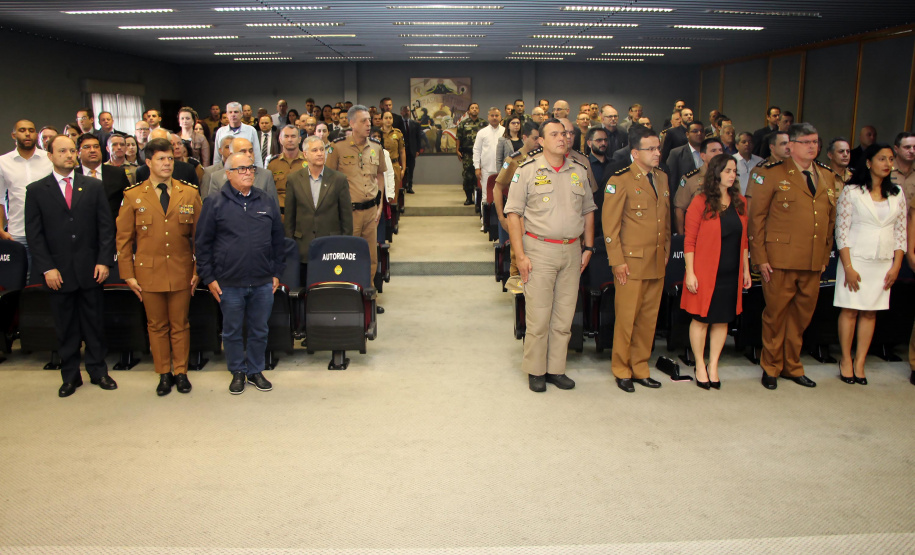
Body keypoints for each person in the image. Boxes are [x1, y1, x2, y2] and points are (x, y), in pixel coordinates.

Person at [504, 118, 596, 392]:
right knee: (539, 316)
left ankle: (556, 368)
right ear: (541, 141)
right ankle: (536, 370)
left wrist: (588, 247)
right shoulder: (527, 170)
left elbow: (589, 210)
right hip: (539, 249)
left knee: (564, 316)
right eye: (554, 134)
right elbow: (513, 214)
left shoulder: (579, 170)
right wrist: (520, 256)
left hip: (571, 251)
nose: (562, 138)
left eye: (565, 134)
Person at [749, 123, 842, 390]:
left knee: (801, 317)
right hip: (779, 259)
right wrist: (760, 257)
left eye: (816, 142)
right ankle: (771, 367)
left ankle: (792, 365)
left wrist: (824, 255)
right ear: (792, 145)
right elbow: (757, 219)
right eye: (807, 142)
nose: (813, 146)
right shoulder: (773, 173)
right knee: (776, 315)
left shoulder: (824, 174)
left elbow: (829, 219)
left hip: (812, 260)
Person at [24, 135, 116, 397]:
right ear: (50, 156)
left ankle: (99, 371)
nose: (68, 154)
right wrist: (47, 268)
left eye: (71, 150)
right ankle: (70, 376)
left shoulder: (92, 186)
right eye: (61, 151)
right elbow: (35, 235)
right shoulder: (37, 190)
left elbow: (106, 228)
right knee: (66, 326)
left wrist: (103, 260)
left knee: (94, 324)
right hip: (58, 272)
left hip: (91, 269)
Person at [116, 138, 202, 396]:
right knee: (156, 326)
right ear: (148, 162)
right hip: (148, 272)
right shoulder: (133, 196)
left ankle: (181, 372)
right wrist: (127, 275)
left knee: (180, 324)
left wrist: (198, 270)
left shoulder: (188, 192)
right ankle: (163, 373)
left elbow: (200, 237)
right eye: (161, 159)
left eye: (170, 158)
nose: (167, 163)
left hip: (181, 269)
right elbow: (123, 240)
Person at [195, 152, 285, 395]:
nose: (248, 173)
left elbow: (278, 240)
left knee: (259, 328)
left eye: (251, 168)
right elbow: (202, 245)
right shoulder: (214, 203)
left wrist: (276, 272)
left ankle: (255, 370)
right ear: (228, 174)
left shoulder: (266, 201)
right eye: (241, 169)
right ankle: (237, 371)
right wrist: (209, 278)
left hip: (262, 281)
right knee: (232, 330)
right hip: (229, 282)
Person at [602, 128, 670, 393]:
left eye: (658, 148)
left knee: (648, 320)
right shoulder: (620, 180)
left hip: (655, 261)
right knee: (627, 319)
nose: (657, 153)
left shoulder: (662, 178)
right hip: (630, 262)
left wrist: (665, 252)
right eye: (651, 149)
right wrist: (617, 261)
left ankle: (640, 367)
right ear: (635, 153)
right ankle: (621, 369)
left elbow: (664, 220)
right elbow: (610, 227)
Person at [834, 144, 907, 385]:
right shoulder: (852, 191)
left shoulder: (897, 193)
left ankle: (860, 361)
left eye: (890, 159)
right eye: (882, 158)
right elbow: (841, 232)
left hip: (883, 262)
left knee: (870, 312)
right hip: (855, 260)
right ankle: (845, 359)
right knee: (851, 309)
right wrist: (848, 267)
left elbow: (901, 234)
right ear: (869, 163)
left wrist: (896, 266)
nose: (887, 163)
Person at [681, 154, 751, 389]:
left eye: (735, 172)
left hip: (730, 273)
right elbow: (689, 241)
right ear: (717, 173)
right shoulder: (701, 201)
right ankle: (700, 364)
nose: (732, 175)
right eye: (728, 171)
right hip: (705, 270)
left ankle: (713, 365)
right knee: (701, 319)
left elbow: (743, 242)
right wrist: (690, 272)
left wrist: (746, 270)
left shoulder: (740, 201)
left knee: (722, 320)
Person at [325, 105, 387, 294]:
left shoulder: (376, 147)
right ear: (352, 124)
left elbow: (380, 176)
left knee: (370, 257)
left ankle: (368, 296)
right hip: (348, 213)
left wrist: (380, 204)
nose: (369, 124)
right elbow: (328, 179)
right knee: (348, 254)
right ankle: (349, 295)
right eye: (364, 121)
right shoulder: (337, 147)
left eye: (369, 120)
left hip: (370, 212)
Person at [285, 136, 353, 276]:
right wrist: (291, 246)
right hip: (303, 247)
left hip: (331, 248)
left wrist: (344, 246)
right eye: (314, 150)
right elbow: (289, 218)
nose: (320, 153)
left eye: (322, 149)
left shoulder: (339, 179)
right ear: (305, 154)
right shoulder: (294, 179)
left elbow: (346, 218)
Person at [0, 119, 54, 276]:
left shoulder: (49, 158)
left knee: (50, 279)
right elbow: (0, 199)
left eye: (31, 130)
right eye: (22, 130)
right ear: (13, 135)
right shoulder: (3, 162)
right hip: (17, 231)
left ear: (36, 134)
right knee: (21, 279)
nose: (27, 133)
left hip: (48, 231)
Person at [76, 133, 131, 224]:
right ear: (78, 152)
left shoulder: (117, 173)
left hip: (114, 229)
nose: (93, 150)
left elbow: (129, 203)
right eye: (87, 147)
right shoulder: (73, 176)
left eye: (96, 146)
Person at [673, 137, 724, 234]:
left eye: (720, 150)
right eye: (713, 151)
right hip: (700, 233)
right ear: (703, 156)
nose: (718, 154)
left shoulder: (730, 177)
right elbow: (679, 209)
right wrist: (681, 236)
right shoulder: (691, 178)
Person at [267, 125, 306, 215]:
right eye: (286, 136)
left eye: (293, 136)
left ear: (299, 139)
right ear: (280, 139)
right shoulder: (273, 164)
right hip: (280, 212)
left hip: (303, 211)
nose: (290, 140)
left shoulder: (309, 161)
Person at [213, 102, 263, 168]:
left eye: (236, 112)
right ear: (227, 114)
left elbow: (256, 155)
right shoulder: (220, 132)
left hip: (246, 170)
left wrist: (259, 173)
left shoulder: (251, 130)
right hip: (226, 170)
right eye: (230, 112)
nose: (233, 114)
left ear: (241, 114)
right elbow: (217, 157)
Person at [473, 107, 504, 211]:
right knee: (486, 197)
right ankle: (485, 222)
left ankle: (500, 222)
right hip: (486, 170)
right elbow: (476, 150)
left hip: (503, 171)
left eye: (496, 115)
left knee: (503, 196)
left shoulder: (505, 132)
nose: (494, 118)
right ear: (488, 117)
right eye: (492, 115)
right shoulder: (482, 132)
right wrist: (477, 167)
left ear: (500, 117)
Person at [455, 103, 486, 205]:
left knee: (480, 176)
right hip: (468, 153)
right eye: (472, 108)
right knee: (468, 176)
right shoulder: (463, 124)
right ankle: (469, 198)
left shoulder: (484, 123)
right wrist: (457, 150)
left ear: (479, 110)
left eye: (476, 108)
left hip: (482, 154)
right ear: (468, 111)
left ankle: (479, 198)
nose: (474, 110)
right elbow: (458, 137)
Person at [381, 111, 406, 206]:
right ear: (382, 120)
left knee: (393, 194)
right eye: (386, 118)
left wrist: (403, 168)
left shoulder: (398, 133)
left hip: (394, 165)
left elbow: (402, 151)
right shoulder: (378, 133)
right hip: (382, 165)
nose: (388, 120)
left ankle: (393, 218)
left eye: (390, 118)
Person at [891, 132, 915, 207]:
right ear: (896, 149)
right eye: (907, 147)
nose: (912, 151)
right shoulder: (886, 169)